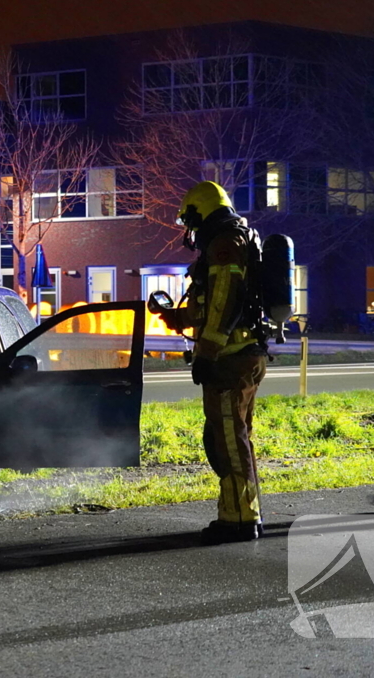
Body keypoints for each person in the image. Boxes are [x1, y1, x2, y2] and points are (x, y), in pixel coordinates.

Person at [161, 181, 268, 544]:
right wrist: (178, 318)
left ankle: (241, 518)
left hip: (230, 359)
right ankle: (236, 511)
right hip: (242, 354)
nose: (190, 231)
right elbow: (211, 303)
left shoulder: (223, 245)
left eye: (190, 221)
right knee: (231, 437)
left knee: (229, 439)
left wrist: (206, 354)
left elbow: (224, 302)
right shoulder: (235, 240)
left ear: (201, 214)